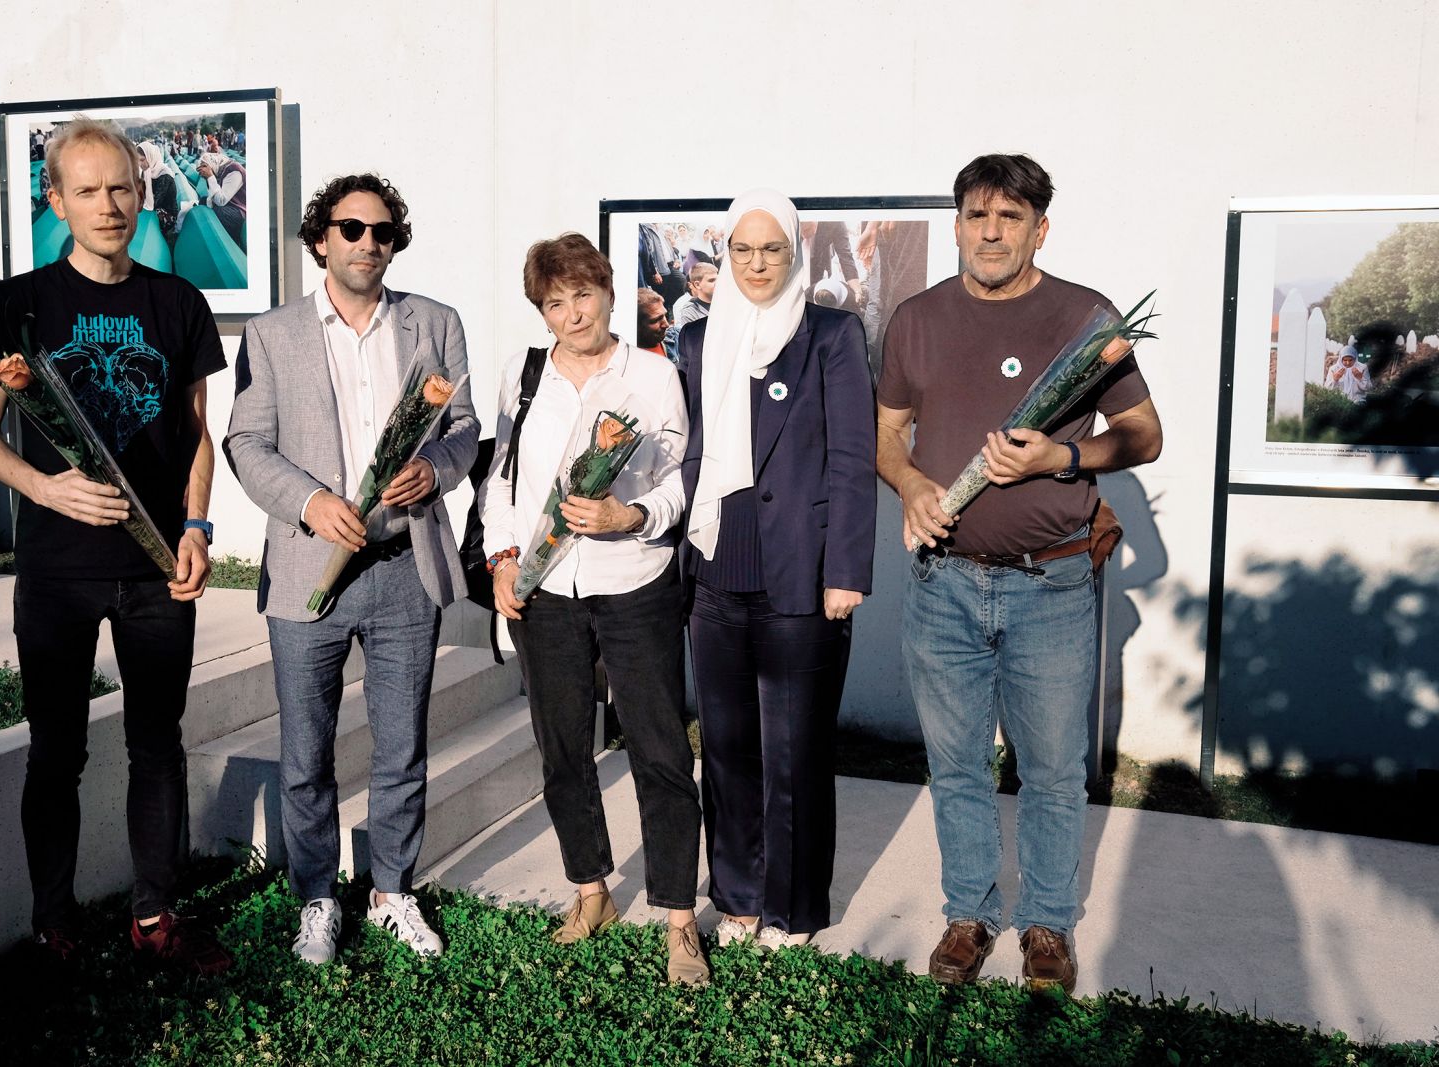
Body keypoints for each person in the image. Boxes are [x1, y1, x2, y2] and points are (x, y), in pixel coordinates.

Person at [875, 153, 1163, 994]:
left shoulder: (1086, 317)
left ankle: (1047, 925)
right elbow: (888, 436)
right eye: (975, 215)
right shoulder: (917, 318)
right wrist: (913, 482)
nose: (990, 232)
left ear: (1041, 227)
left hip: (1052, 587)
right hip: (944, 584)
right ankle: (968, 914)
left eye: (1009, 217)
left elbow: (1143, 434)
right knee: (957, 762)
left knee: (1049, 769)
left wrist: (1063, 455)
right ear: (957, 222)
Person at [0, 116, 231, 975]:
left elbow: (196, 432)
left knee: (158, 742)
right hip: (56, 569)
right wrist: (45, 486)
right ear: (57, 200)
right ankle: (54, 923)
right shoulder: (18, 302)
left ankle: (155, 913)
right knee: (58, 749)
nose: (110, 206)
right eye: (88, 191)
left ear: (140, 190)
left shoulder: (177, 303)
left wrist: (195, 528)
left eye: (122, 187)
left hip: (156, 566)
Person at [225, 173, 478, 965]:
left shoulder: (435, 322)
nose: (370, 243)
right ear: (320, 239)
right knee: (307, 752)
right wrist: (307, 502)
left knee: (402, 745)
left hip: (408, 567)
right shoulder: (271, 334)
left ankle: (392, 888)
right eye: (352, 228)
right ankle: (316, 898)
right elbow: (245, 442)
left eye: (384, 232)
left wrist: (435, 469)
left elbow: (465, 428)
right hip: (310, 572)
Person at [482, 232, 708, 986]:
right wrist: (503, 557)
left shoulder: (654, 374)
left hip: (634, 581)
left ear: (609, 293)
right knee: (563, 750)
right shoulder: (526, 379)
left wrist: (633, 516)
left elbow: (682, 478)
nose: (572, 312)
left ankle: (679, 919)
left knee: (660, 750)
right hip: (546, 592)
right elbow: (501, 483)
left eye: (583, 294)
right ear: (541, 310)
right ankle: (591, 891)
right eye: (555, 301)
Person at [678, 189, 875, 951]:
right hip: (715, 575)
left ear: (795, 254)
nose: (758, 264)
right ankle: (736, 896)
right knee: (724, 748)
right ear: (725, 255)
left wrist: (846, 569)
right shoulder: (699, 341)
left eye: (773, 250)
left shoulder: (831, 334)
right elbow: (687, 455)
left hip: (803, 576)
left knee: (794, 750)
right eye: (743, 250)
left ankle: (792, 908)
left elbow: (854, 461)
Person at [137, 141, 184, 249]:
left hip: (167, 213)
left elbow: (153, 204)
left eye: (142, 160)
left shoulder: (164, 175)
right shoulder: (148, 172)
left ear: (150, 157)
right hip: (155, 206)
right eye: (138, 160)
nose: (140, 164)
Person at [197, 152, 247, 250]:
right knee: (203, 201)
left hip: (239, 210)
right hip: (228, 205)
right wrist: (208, 179)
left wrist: (210, 176)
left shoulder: (235, 171)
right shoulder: (220, 170)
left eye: (204, 166)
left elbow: (221, 200)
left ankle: (230, 246)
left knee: (218, 213)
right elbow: (212, 196)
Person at [671, 261, 717, 330]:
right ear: (697, 285)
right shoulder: (689, 312)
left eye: (718, 279)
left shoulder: (724, 302)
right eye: (711, 280)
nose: (717, 283)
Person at [636, 287, 672, 361]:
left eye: (665, 316)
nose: (666, 325)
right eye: (656, 320)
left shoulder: (673, 341)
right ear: (637, 325)